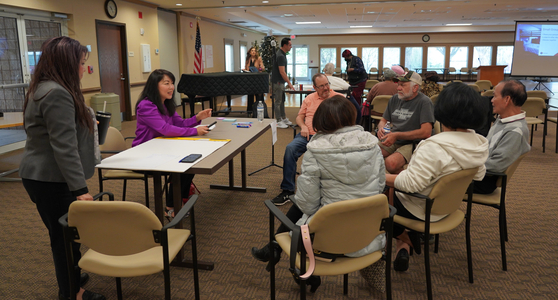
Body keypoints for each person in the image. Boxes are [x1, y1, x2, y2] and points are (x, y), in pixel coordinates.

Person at [252, 95, 387, 293]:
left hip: (327, 240)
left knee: (301, 211)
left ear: (321, 121)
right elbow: (380, 186)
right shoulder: (373, 146)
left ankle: (294, 263)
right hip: (367, 236)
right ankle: (279, 252)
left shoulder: (315, 152)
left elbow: (307, 205)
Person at [19, 36, 106, 300]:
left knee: (65, 234)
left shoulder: (43, 87)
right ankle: (72, 293)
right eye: (80, 64)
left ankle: (72, 275)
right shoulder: (57, 92)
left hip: (42, 175)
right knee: (65, 238)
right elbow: (63, 146)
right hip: (52, 178)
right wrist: (80, 189)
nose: (83, 69)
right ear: (67, 64)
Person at [385, 82, 489, 272]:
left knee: (375, 193)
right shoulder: (479, 143)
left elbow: (409, 184)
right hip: (447, 206)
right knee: (398, 177)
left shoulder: (433, 146)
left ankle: (405, 238)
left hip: (420, 208)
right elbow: (479, 175)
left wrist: (379, 177)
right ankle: (405, 245)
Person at [133, 69, 212, 217]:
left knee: (192, 160)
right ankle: (171, 207)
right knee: (181, 165)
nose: (171, 87)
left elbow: (180, 124)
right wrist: (195, 131)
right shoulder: (146, 106)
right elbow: (165, 129)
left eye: (172, 83)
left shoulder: (166, 103)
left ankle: (180, 198)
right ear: (154, 86)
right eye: (166, 83)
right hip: (144, 155)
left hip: (162, 149)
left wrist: (197, 118)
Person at [270, 73, 344, 205]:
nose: (326, 88)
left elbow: (348, 119)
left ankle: (331, 191)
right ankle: (287, 190)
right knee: (290, 149)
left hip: (329, 137)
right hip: (307, 135)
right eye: (321, 86)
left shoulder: (339, 98)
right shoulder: (309, 98)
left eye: (327, 84)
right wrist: (303, 126)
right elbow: (299, 117)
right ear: (315, 87)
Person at [473, 80, 531, 194]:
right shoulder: (503, 120)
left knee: (438, 179)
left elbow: (495, 166)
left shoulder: (515, 131)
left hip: (484, 180)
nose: (492, 100)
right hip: (480, 170)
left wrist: (466, 163)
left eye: (494, 96)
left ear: (507, 99)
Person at [377, 71, 435, 174]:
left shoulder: (424, 102)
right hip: (394, 138)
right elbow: (383, 120)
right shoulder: (395, 99)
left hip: (414, 142)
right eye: (398, 85)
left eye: (403, 85)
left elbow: (426, 132)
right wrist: (381, 128)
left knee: (391, 163)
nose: (398, 88)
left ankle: (411, 183)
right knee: (371, 155)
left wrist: (397, 135)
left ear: (415, 88)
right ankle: (390, 186)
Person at [272, 37, 295, 128]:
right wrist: (289, 83)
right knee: (278, 101)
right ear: (284, 45)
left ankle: (283, 117)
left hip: (280, 81)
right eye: (290, 45)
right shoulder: (280, 56)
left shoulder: (282, 54)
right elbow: (282, 72)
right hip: (278, 82)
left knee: (282, 101)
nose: (291, 47)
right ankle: (278, 120)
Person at [243, 46, 265, 114]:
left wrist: (260, 69)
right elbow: (246, 68)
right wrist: (244, 70)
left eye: (254, 51)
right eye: (252, 50)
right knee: (250, 95)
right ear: (250, 52)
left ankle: (258, 111)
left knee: (258, 96)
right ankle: (250, 111)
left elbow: (262, 68)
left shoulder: (258, 58)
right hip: (250, 80)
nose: (253, 52)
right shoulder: (248, 59)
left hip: (257, 79)